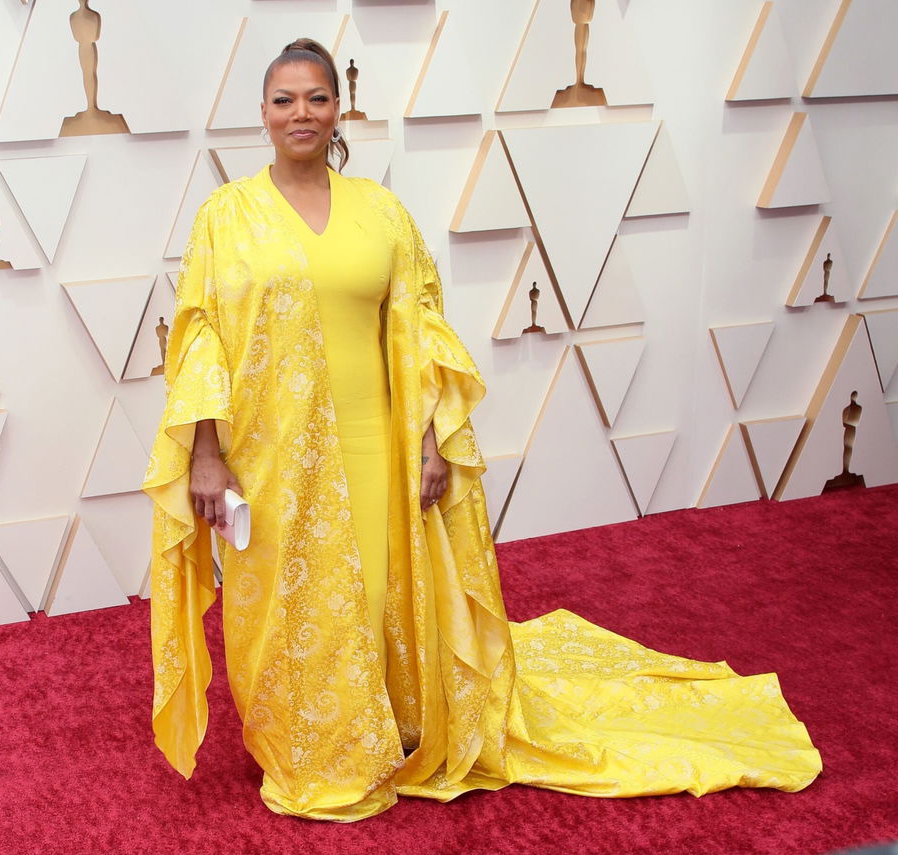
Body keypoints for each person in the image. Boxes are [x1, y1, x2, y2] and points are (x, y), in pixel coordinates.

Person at [142, 38, 821, 822]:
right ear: (262, 113)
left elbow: (423, 325)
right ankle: (311, 748)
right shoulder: (225, 216)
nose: (302, 113)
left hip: (376, 442)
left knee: (375, 588)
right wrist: (204, 453)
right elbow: (198, 341)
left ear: (339, 110)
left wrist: (432, 440)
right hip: (272, 452)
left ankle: (384, 724)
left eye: (317, 98)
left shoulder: (380, 211)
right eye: (285, 99)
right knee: (286, 607)